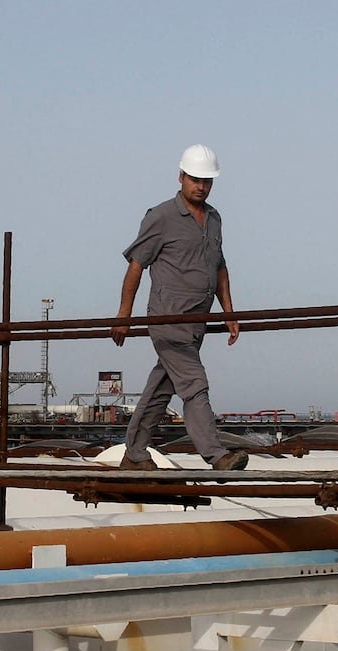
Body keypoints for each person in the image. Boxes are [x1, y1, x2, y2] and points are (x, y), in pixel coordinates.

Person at [110, 144, 248, 471]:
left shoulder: (214, 219)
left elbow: (220, 268)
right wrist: (123, 317)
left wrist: (228, 314)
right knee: (195, 384)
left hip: (196, 324)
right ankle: (216, 456)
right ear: (181, 176)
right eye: (195, 179)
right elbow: (135, 266)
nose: (201, 186)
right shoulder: (161, 217)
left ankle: (134, 454)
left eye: (207, 180)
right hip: (168, 321)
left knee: (162, 387)